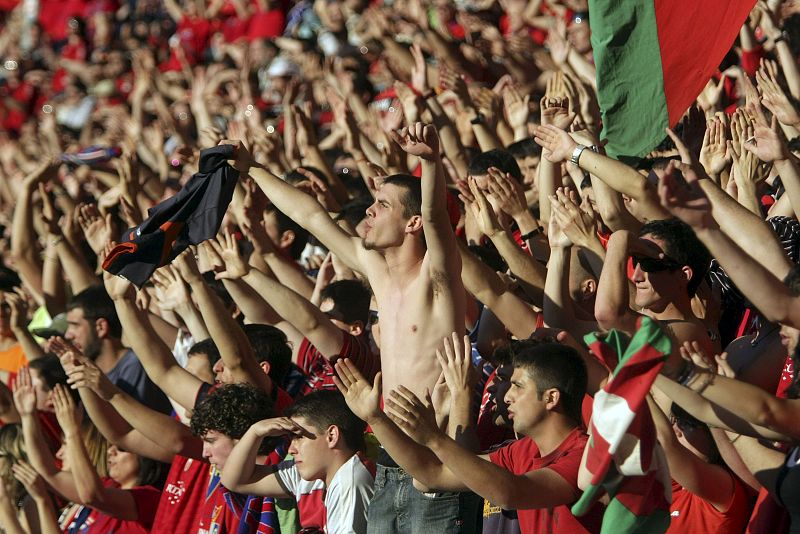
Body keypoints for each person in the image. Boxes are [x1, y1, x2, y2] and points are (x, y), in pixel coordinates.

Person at [223, 122, 474, 529]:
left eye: (383, 205)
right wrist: (251, 168)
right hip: (389, 458)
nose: (369, 211)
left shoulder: (436, 277)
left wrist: (430, 162)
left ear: (412, 223)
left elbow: (435, 217)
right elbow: (310, 216)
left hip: (438, 455)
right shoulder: (378, 272)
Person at [334, 340, 605, 534]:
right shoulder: (522, 450)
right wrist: (376, 419)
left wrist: (435, 438)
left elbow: (511, 493)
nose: (507, 397)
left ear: (551, 398)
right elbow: (432, 474)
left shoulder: (582, 454)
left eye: (518, 386)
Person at [222, 390, 374, 533]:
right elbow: (236, 481)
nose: (290, 450)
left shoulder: (351, 479)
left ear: (332, 436)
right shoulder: (310, 474)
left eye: (299, 437)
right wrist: (255, 432)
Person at [64, 285, 172, 414]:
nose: (68, 335)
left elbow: (127, 424)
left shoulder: (134, 365)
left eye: (75, 325)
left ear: (100, 327)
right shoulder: (85, 370)